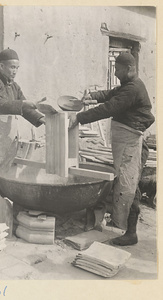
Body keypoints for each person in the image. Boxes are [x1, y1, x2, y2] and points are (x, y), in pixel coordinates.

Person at [69, 52, 155, 246]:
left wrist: (79, 118)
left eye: (117, 69)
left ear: (129, 69)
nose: (115, 73)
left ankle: (129, 232)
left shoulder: (133, 89)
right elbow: (110, 94)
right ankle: (123, 226)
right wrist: (91, 97)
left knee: (128, 185)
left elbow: (109, 107)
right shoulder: (127, 87)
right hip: (125, 143)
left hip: (131, 143)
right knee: (127, 183)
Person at [0, 48, 45, 224]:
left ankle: (1, 208)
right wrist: (23, 103)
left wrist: (42, 119)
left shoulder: (15, 87)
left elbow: (25, 108)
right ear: (1, 66)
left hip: (7, 134)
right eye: (12, 67)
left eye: (17, 68)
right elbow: (0, 104)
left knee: (4, 170)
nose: (14, 71)